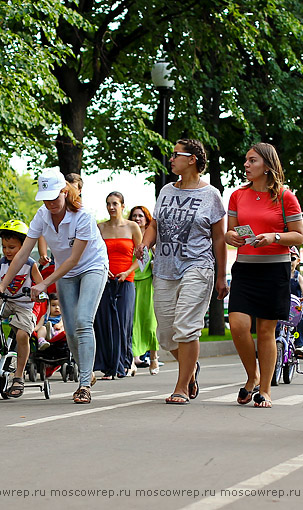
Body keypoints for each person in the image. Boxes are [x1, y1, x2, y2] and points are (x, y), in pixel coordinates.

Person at [0, 169, 108, 405]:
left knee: (83, 321)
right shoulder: (42, 215)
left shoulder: (84, 215)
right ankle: (86, 370)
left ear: (65, 192)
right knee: (70, 327)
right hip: (65, 271)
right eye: (45, 198)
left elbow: (73, 259)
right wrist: (2, 284)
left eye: (54, 197)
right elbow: (23, 253)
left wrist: (45, 283)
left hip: (92, 266)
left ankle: (84, 384)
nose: (50, 203)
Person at [136, 139, 228, 405]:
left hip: (197, 266)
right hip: (164, 269)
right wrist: (144, 242)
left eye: (176, 154)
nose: (171, 158)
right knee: (166, 336)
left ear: (192, 160)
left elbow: (219, 239)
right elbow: (155, 225)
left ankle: (181, 386)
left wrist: (221, 275)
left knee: (186, 328)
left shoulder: (211, 195)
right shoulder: (166, 190)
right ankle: (192, 368)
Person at [226, 142, 303, 408]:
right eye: (246, 160)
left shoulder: (285, 197)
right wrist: (232, 237)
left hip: (274, 268)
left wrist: (275, 236)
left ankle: (266, 389)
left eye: (252, 161)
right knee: (237, 325)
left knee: (265, 331)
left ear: (267, 166)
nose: (246, 165)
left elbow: (299, 236)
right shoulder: (238, 195)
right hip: (245, 267)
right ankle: (252, 377)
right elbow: (230, 231)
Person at [0, 219, 44, 398]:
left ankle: (18, 376)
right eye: (4, 247)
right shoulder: (2, 261)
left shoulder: (30, 264)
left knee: (21, 335)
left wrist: (38, 292)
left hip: (25, 305)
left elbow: (42, 284)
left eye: (12, 247)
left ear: (24, 246)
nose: (7, 251)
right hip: (7, 301)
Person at [93, 192, 142, 380]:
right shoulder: (100, 228)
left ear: (123, 206)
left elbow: (142, 257)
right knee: (104, 322)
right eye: (108, 204)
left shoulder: (132, 227)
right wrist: (103, 271)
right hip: (104, 280)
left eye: (115, 203)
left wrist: (128, 272)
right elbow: (94, 254)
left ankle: (122, 365)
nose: (111, 207)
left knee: (123, 323)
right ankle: (107, 367)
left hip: (126, 281)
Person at [129, 205, 161, 375]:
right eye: (134, 216)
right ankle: (133, 359)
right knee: (133, 322)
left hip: (148, 282)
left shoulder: (151, 236)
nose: (137, 219)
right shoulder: (128, 234)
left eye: (140, 216)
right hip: (131, 280)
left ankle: (154, 357)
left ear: (147, 219)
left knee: (149, 322)